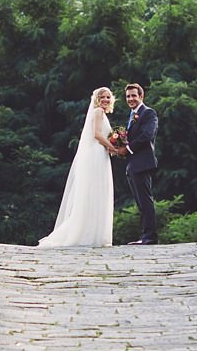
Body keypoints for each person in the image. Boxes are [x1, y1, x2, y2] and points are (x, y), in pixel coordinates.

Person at [38, 87, 121, 247]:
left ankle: (96, 233)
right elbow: (96, 134)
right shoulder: (97, 112)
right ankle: (87, 233)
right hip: (97, 154)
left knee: (98, 192)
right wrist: (112, 147)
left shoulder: (102, 114)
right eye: (102, 97)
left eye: (108, 97)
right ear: (97, 99)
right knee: (95, 191)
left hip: (101, 153)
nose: (105, 100)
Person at [118, 82, 158, 245]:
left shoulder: (148, 113)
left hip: (142, 162)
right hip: (133, 164)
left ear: (141, 96)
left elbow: (147, 135)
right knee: (140, 202)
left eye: (134, 95)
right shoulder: (132, 114)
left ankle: (150, 237)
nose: (131, 99)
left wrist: (127, 149)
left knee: (145, 200)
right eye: (128, 96)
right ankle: (144, 236)